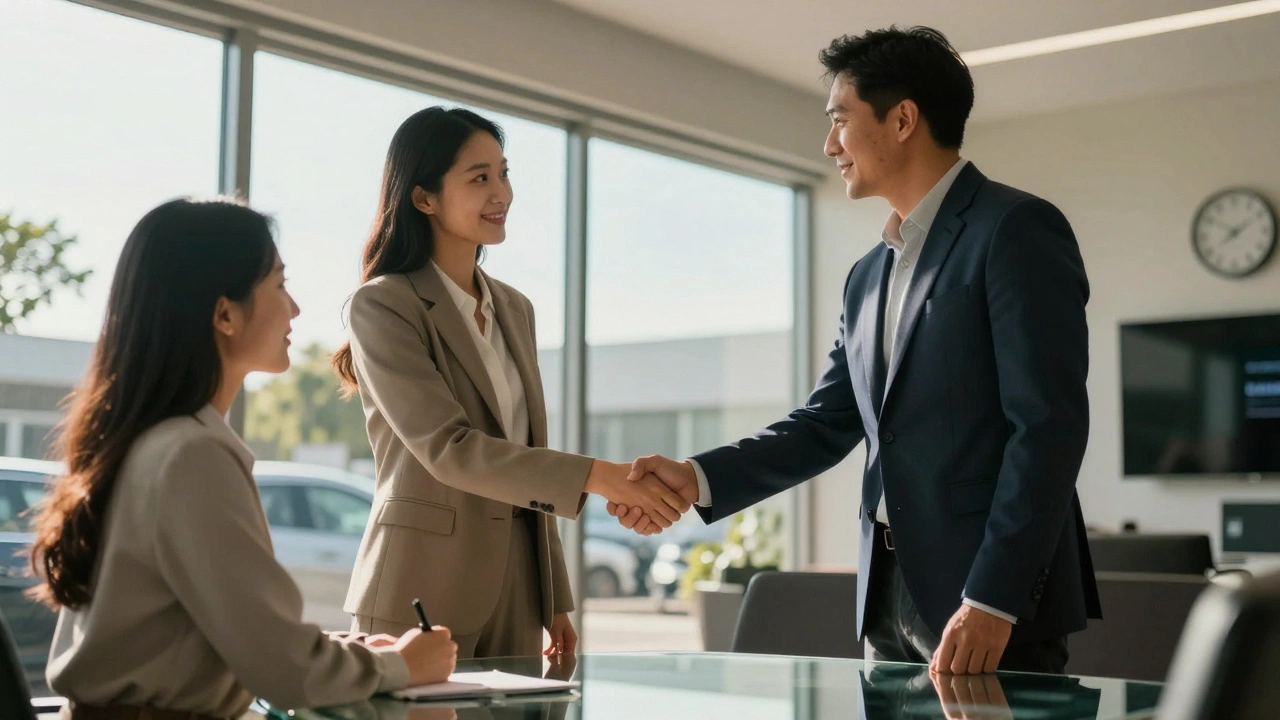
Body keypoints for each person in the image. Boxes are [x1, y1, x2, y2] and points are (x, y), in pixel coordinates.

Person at [610, 26, 1102, 675]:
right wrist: (697, 477)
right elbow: (825, 423)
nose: (829, 145)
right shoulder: (867, 275)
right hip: (886, 596)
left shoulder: (1015, 230)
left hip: (985, 603)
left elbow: (1046, 428)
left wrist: (994, 597)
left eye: (840, 120)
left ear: (902, 119)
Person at [27, 199, 456, 720]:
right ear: (225, 314)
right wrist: (405, 665)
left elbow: (219, 640)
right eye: (279, 284)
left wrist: (348, 653)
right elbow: (287, 672)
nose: (295, 309)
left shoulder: (148, 441)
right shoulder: (192, 455)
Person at [332, 107, 687, 659]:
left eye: (503, 173)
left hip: (518, 593)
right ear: (424, 198)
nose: (502, 193)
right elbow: (449, 449)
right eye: (479, 178)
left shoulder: (515, 308)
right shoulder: (383, 305)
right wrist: (603, 477)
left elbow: (527, 453)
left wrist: (554, 596)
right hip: (418, 587)